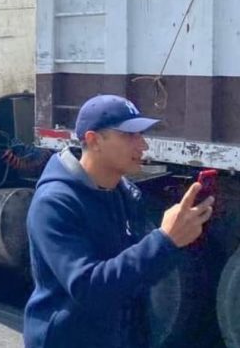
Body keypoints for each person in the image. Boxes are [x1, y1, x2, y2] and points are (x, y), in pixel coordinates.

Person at [24, 95, 215, 348]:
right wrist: (164, 241)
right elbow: (89, 289)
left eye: (141, 135)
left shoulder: (124, 194)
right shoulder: (54, 203)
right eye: (129, 135)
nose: (143, 145)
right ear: (94, 140)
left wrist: (179, 239)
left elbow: (133, 284)